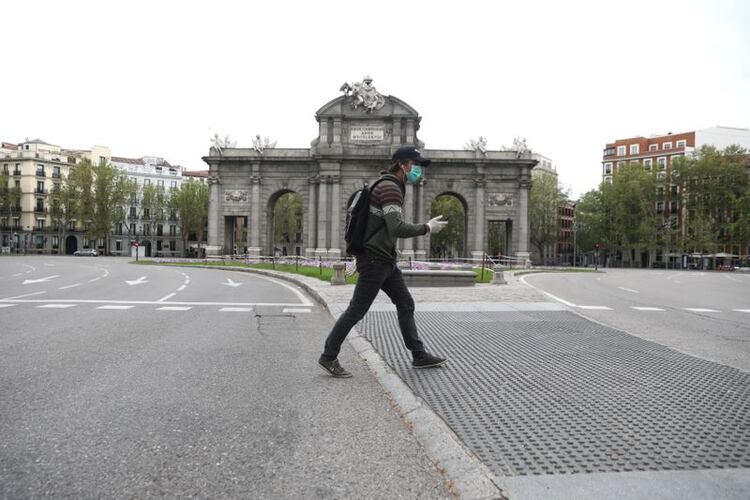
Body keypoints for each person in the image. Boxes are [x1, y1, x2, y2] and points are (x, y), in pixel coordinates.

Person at [318, 146, 449, 378]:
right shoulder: (390, 188)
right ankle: (329, 356)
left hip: (385, 260)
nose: (418, 169)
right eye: (415, 164)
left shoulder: (389, 185)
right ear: (402, 164)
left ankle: (418, 355)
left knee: (405, 303)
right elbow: (396, 227)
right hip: (375, 260)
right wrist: (427, 227)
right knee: (356, 310)